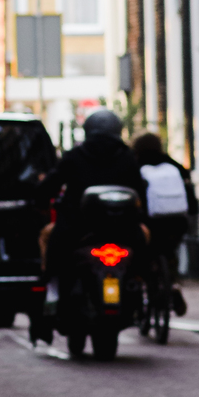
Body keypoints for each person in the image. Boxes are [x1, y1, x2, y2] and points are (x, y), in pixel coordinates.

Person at [41, 107, 145, 275]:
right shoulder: (128, 158)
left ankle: (54, 291)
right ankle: (145, 286)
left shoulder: (74, 156)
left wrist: (41, 200)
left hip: (77, 227)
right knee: (144, 251)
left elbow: (49, 186)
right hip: (124, 227)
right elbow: (141, 192)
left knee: (53, 247)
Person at [132, 132, 195, 315]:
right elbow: (190, 196)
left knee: (144, 253)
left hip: (150, 222)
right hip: (177, 221)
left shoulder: (137, 166)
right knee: (169, 253)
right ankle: (172, 284)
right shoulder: (174, 165)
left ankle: (143, 288)